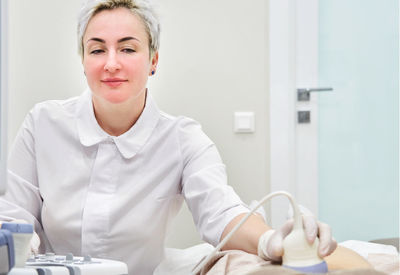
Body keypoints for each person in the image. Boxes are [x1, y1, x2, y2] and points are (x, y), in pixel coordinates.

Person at [0, 0, 337, 274]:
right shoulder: (43, 123)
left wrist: (271, 242)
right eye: (97, 49)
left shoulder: (182, 138)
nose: (111, 63)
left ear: (153, 61)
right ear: (83, 60)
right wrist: (20, 251)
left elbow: (220, 211)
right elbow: (15, 215)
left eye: (128, 49)